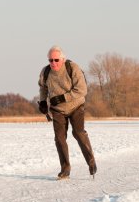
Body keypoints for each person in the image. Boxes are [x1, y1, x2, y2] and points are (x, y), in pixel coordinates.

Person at [38, 45, 97, 179]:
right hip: (58, 110)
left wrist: (62, 97)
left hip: (76, 106)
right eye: (50, 60)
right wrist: (42, 102)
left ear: (63, 59)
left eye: (56, 60)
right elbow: (43, 88)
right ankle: (65, 169)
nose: (53, 63)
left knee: (78, 132)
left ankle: (91, 162)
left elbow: (82, 90)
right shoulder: (46, 72)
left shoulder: (73, 68)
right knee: (59, 138)